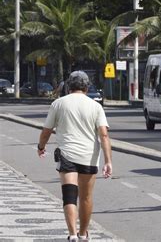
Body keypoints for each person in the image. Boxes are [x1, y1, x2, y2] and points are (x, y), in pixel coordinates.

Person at [37, 71, 112, 241]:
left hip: (67, 157)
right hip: (89, 157)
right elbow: (104, 136)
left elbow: (46, 131)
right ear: (87, 86)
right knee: (86, 197)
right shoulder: (95, 106)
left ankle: (72, 235)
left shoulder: (58, 104)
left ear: (68, 86)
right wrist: (108, 161)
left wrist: (41, 147)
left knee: (69, 195)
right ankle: (84, 234)